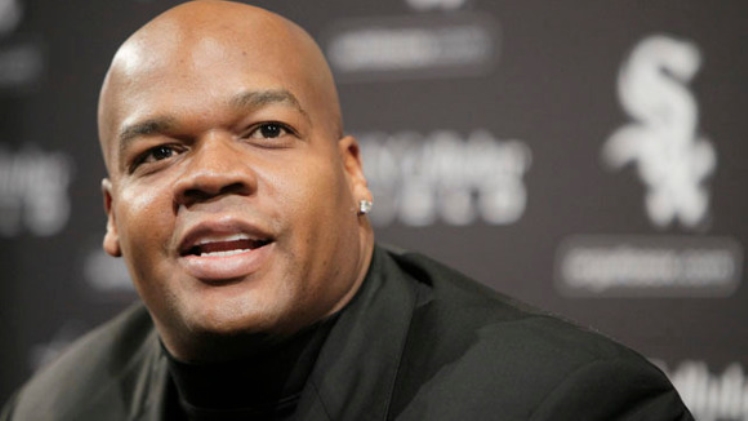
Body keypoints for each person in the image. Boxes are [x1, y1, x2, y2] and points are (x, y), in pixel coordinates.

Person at [1, 1, 694, 419]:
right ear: (112, 216)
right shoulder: (52, 407)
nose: (211, 173)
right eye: (158, 152)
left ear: (351, 171)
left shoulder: (573, 403)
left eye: (267, 131)